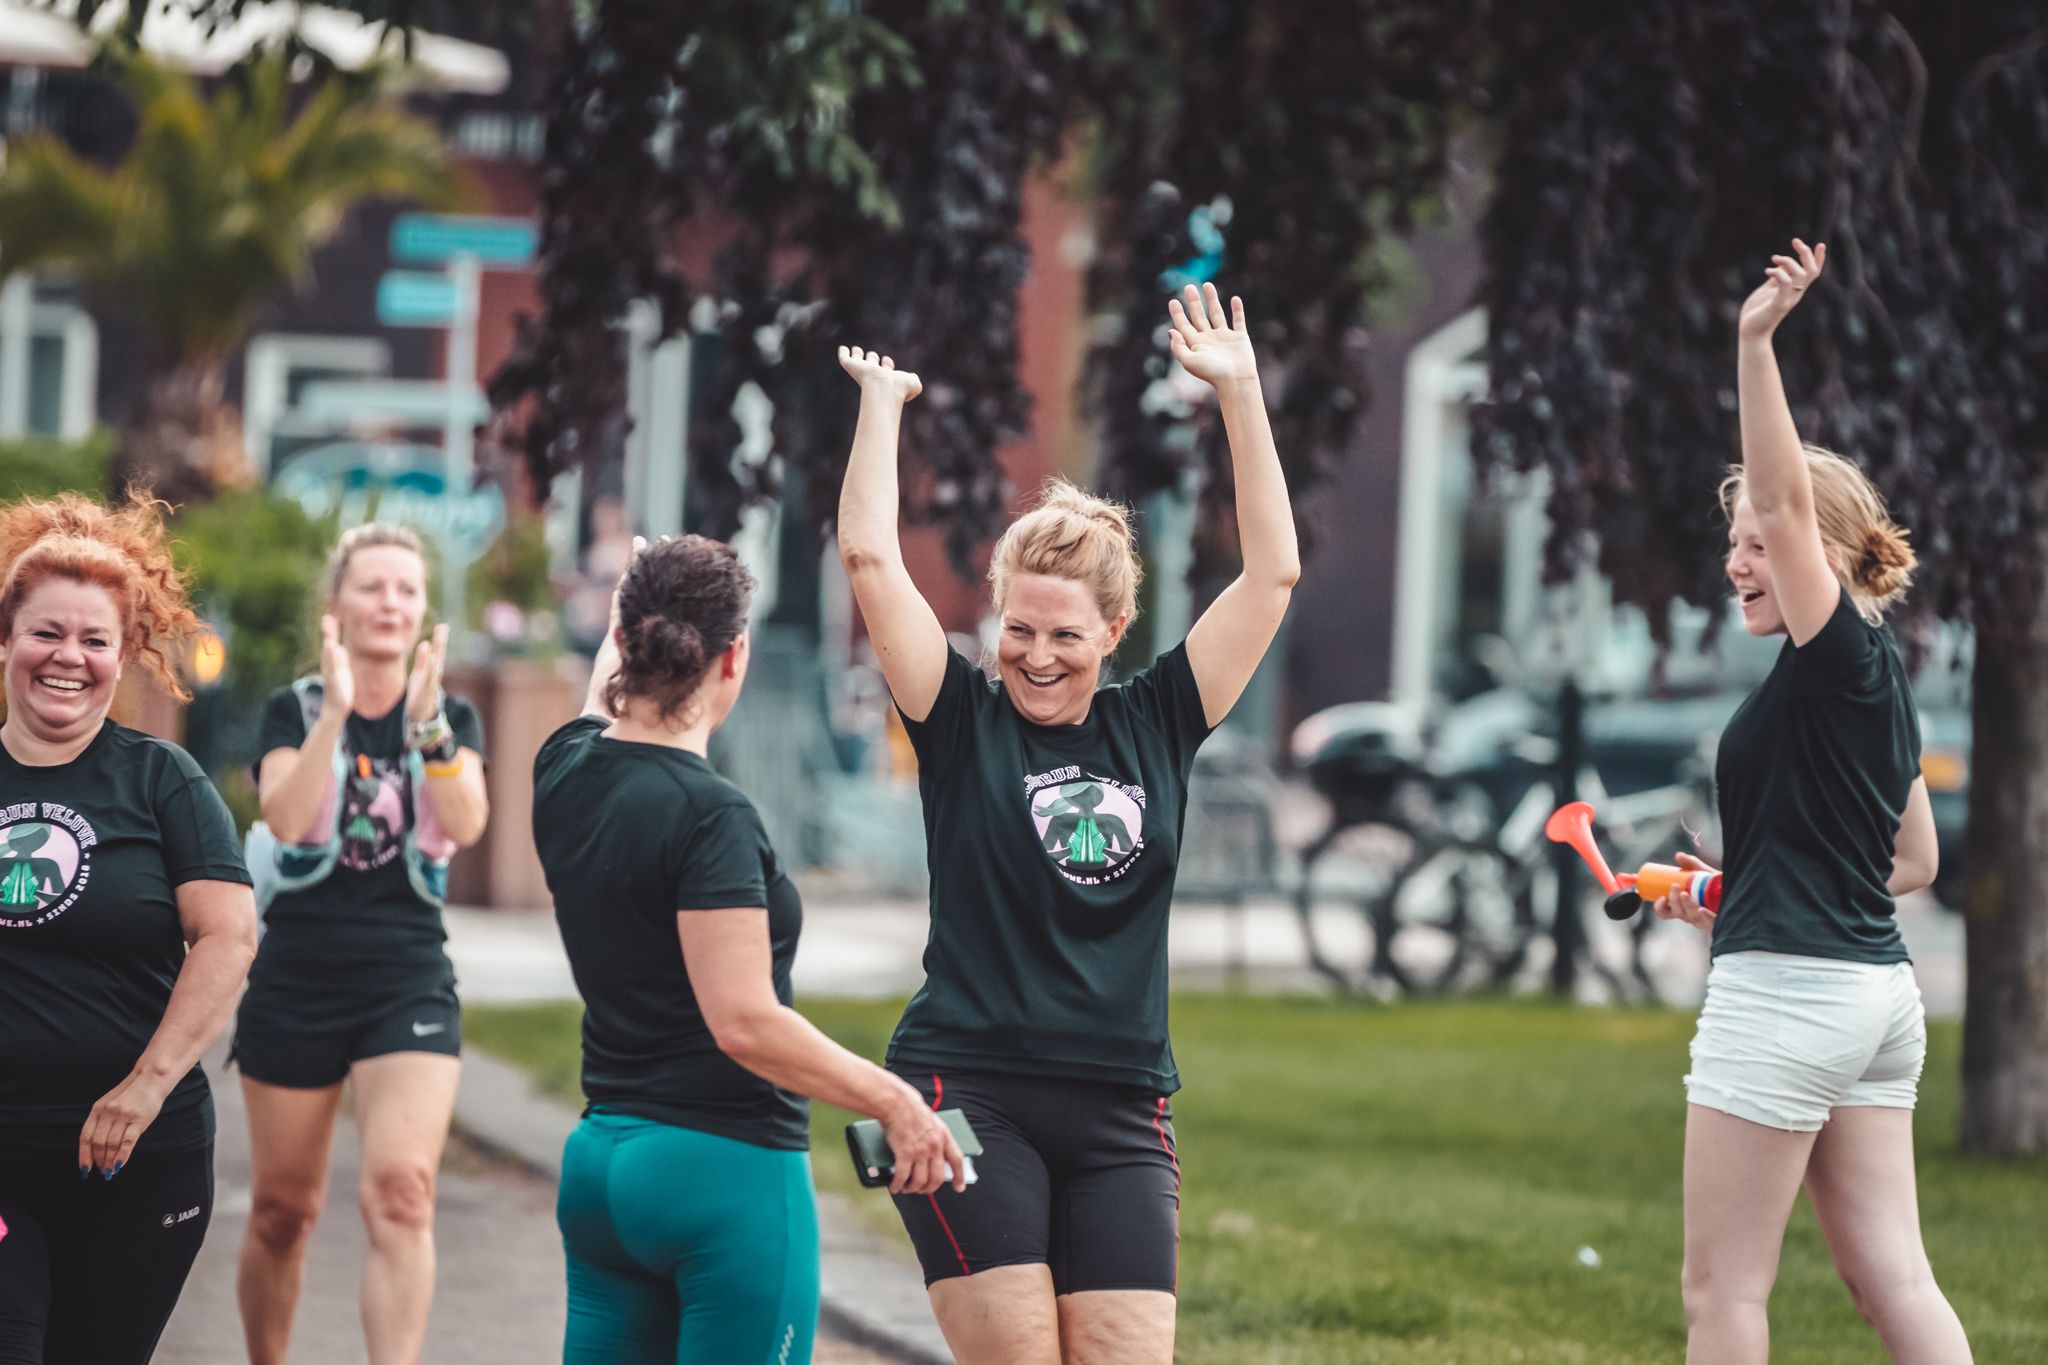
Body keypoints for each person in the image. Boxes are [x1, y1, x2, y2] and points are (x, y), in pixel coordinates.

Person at [833, 280, 1299, 1365]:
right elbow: (868, 561)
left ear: (1117, 630)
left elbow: (1271, 573)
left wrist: (1239, 395)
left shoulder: (1161, 720)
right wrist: (881, 406)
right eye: (1017, 629)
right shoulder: (958, 721)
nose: (1036, 656)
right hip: (965, 1089)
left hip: (1122, 1114)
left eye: (1065, 636)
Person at [531, 533, 964, 1365]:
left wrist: (636, 586)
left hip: (604, 1169)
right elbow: (743, 1022)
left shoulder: (564, 768)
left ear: (620, 637)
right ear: (736, 658)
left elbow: (603, 700)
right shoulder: (709, 817)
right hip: (721, 1179)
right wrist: (895, 1101)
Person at [1652, 239, 1971, 1364]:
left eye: (1756, 546)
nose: (1739, 560)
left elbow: (1787, 499)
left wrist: (1752, 342)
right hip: (1873, 1001)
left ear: (1824, 558)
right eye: (1731, 544)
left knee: (1722, 1296)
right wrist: (1738, 889)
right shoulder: (1875, 680)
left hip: (1788, 1000)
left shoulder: (1833, 650)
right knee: (1890, 1277)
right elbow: (1910, 862)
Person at [0, 493, 258, 1363]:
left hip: (142, 1156)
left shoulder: (163, 782)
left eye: (94, 639)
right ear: (6, 639)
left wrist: (145, 1084)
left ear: (124, 655)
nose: (67, 656)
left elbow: (227, 937)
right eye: (46, 632)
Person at [233, 523, 489, 1365]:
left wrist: (426, 730)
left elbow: (467, 823)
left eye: (406, 590)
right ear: (336, 605)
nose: (390, 602)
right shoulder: (292, 708)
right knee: (282, 1210)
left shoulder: (450, 717)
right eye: (372, 587)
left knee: (402, 1193)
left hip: (406, 978)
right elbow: (282, 811)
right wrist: (339, 714)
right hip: (297, 978)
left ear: (423, 612)